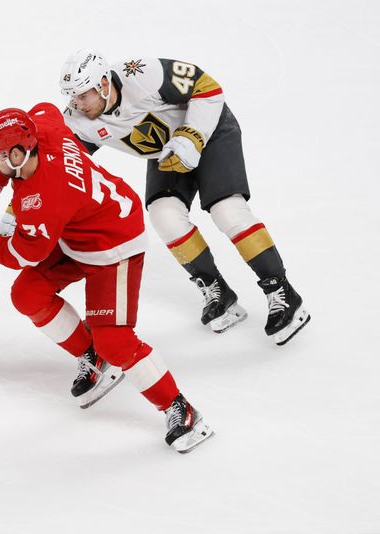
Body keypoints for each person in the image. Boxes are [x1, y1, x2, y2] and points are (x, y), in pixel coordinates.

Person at [0, 103, 213, 453]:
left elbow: (24, 253)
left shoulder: (44, 198)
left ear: (19, 154)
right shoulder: (43, 131)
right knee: (28, 294)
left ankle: (180, 408)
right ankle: (94, 356)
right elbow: (44, 109)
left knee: (115, 340)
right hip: (77, 231)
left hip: (114, 246)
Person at [58, 49, 310, 345]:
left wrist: (192, 135)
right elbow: (60, 169)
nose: (76, 103)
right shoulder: (76, 120)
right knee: (164, 216)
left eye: (82, 95)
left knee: (227, 210)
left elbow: (208, 87)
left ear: (103, 84)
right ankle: (218, 290)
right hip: (167, 151)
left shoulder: (141, 73)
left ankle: (281, 290)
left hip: (210, 132)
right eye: (72, 96)